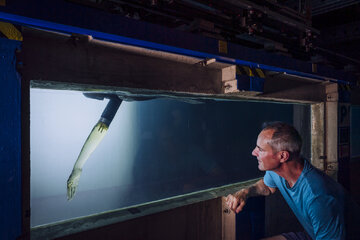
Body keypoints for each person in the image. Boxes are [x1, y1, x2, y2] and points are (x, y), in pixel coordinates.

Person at [226, 122, 346, 240]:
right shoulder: (277, 171)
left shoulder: (318, 197)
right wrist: (245, 192)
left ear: (283, 156)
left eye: (260, 149)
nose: (253, 152)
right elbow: (267, 187)